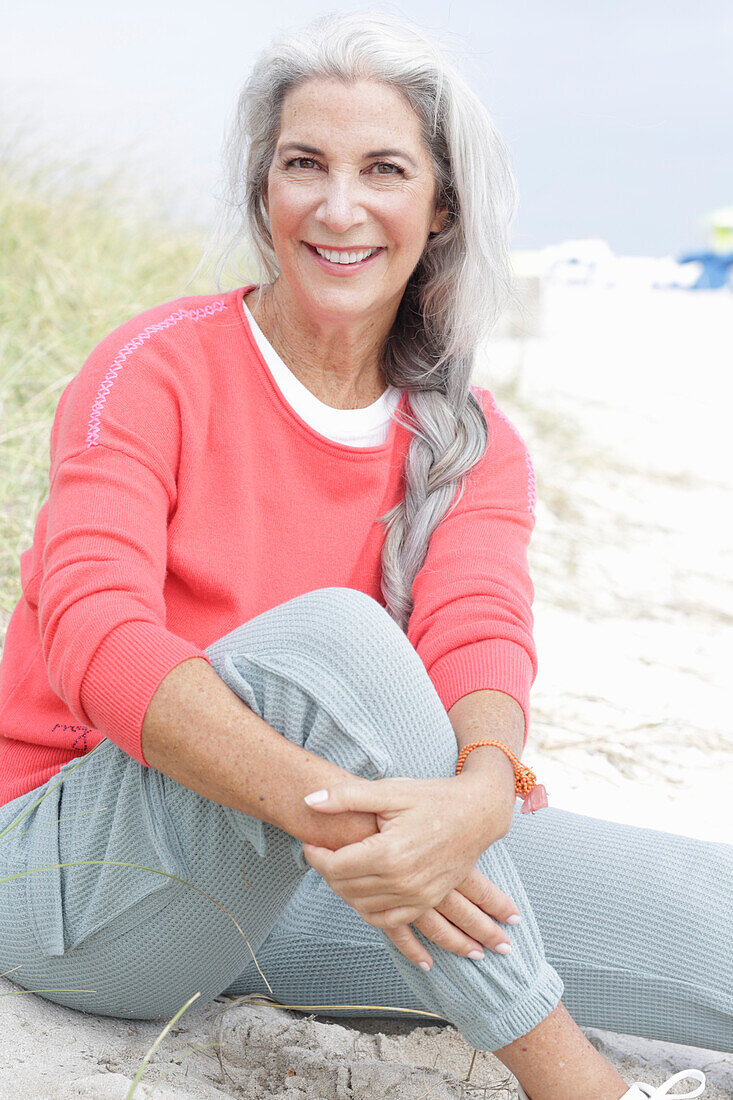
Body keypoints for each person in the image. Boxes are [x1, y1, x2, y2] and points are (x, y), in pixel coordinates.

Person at [0, 11, 728, 1100]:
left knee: (705, 911)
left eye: (382, 168)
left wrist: (480, 797)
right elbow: (93, 636)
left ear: (439, 206)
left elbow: (476, 631)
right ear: (263, 192)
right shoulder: (151, 369)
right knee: (339, 643)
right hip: (79, 868)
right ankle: (575, 1085)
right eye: (305, 164)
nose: (338, 207)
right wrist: (358, 819)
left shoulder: (469, 436)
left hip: (299, 874)